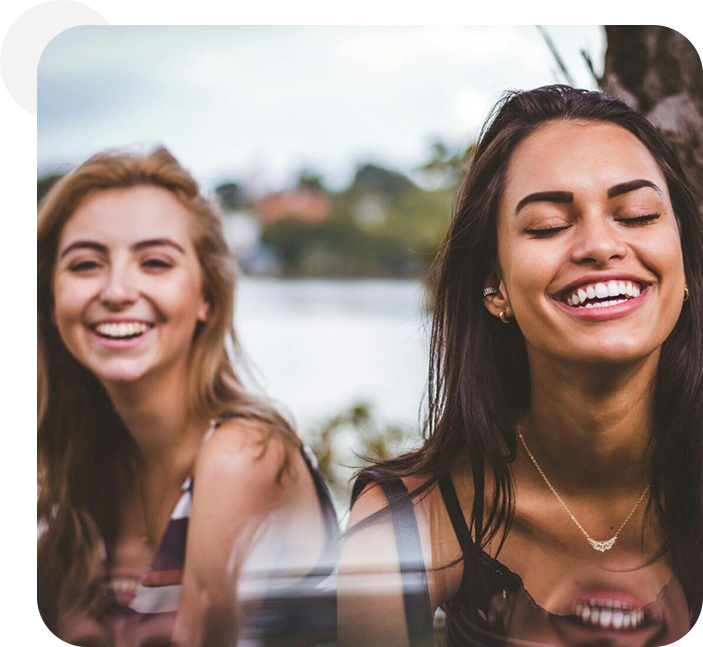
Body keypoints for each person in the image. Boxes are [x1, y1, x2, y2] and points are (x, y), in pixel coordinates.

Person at [339, 85, 702, 646]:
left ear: (685, 270)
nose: (600, 245)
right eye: (548, 226)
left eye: (636, 214)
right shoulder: (402, 530)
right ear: (495, 286)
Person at [36, 148, 338, 647]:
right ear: (51, 300)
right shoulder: (78, 464)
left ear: (207, 298)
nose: (116, 290)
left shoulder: (242, 456)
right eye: (86, 264)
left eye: (154, 262)